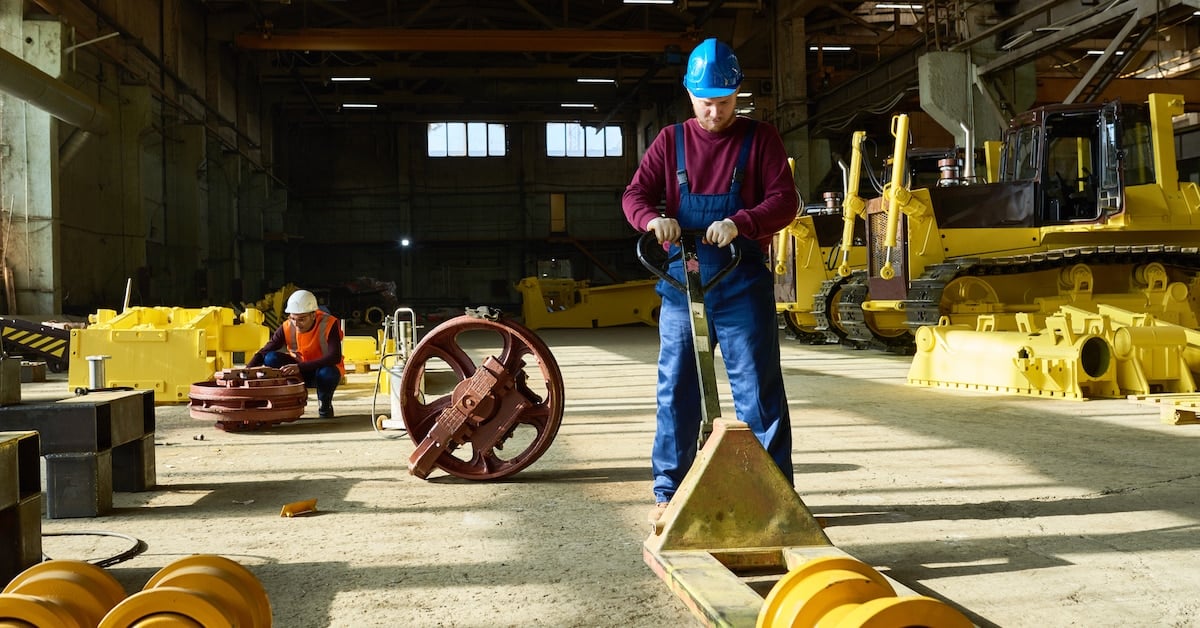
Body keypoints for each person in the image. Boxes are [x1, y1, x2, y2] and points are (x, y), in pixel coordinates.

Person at [622, 37, 799, 523]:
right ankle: (669, 493)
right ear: (689, 92)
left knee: (757, 391)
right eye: (706, 103)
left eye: (724, 103)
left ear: (737, 94)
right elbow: (635, 195)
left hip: (741, 283)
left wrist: (742, 221)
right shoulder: (670, 142)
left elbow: (786, 201)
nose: (715, 113)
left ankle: (773, 497)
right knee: (676, 385)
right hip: (683, 281)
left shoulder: (760, 139)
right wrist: (651, 221)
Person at [248, 289, 345, 418]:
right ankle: (293, 397)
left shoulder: (329, 323)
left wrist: (299, 367)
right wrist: (245, 372)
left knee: (328, 373)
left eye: (301, 319)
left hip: (321, 371)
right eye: (293, 318)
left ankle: (324, 403)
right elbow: (264, 352)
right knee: (271, 358)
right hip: (298, 371)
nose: (297, 324)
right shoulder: (287, 326)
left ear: (313, 315)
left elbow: (334, 356)